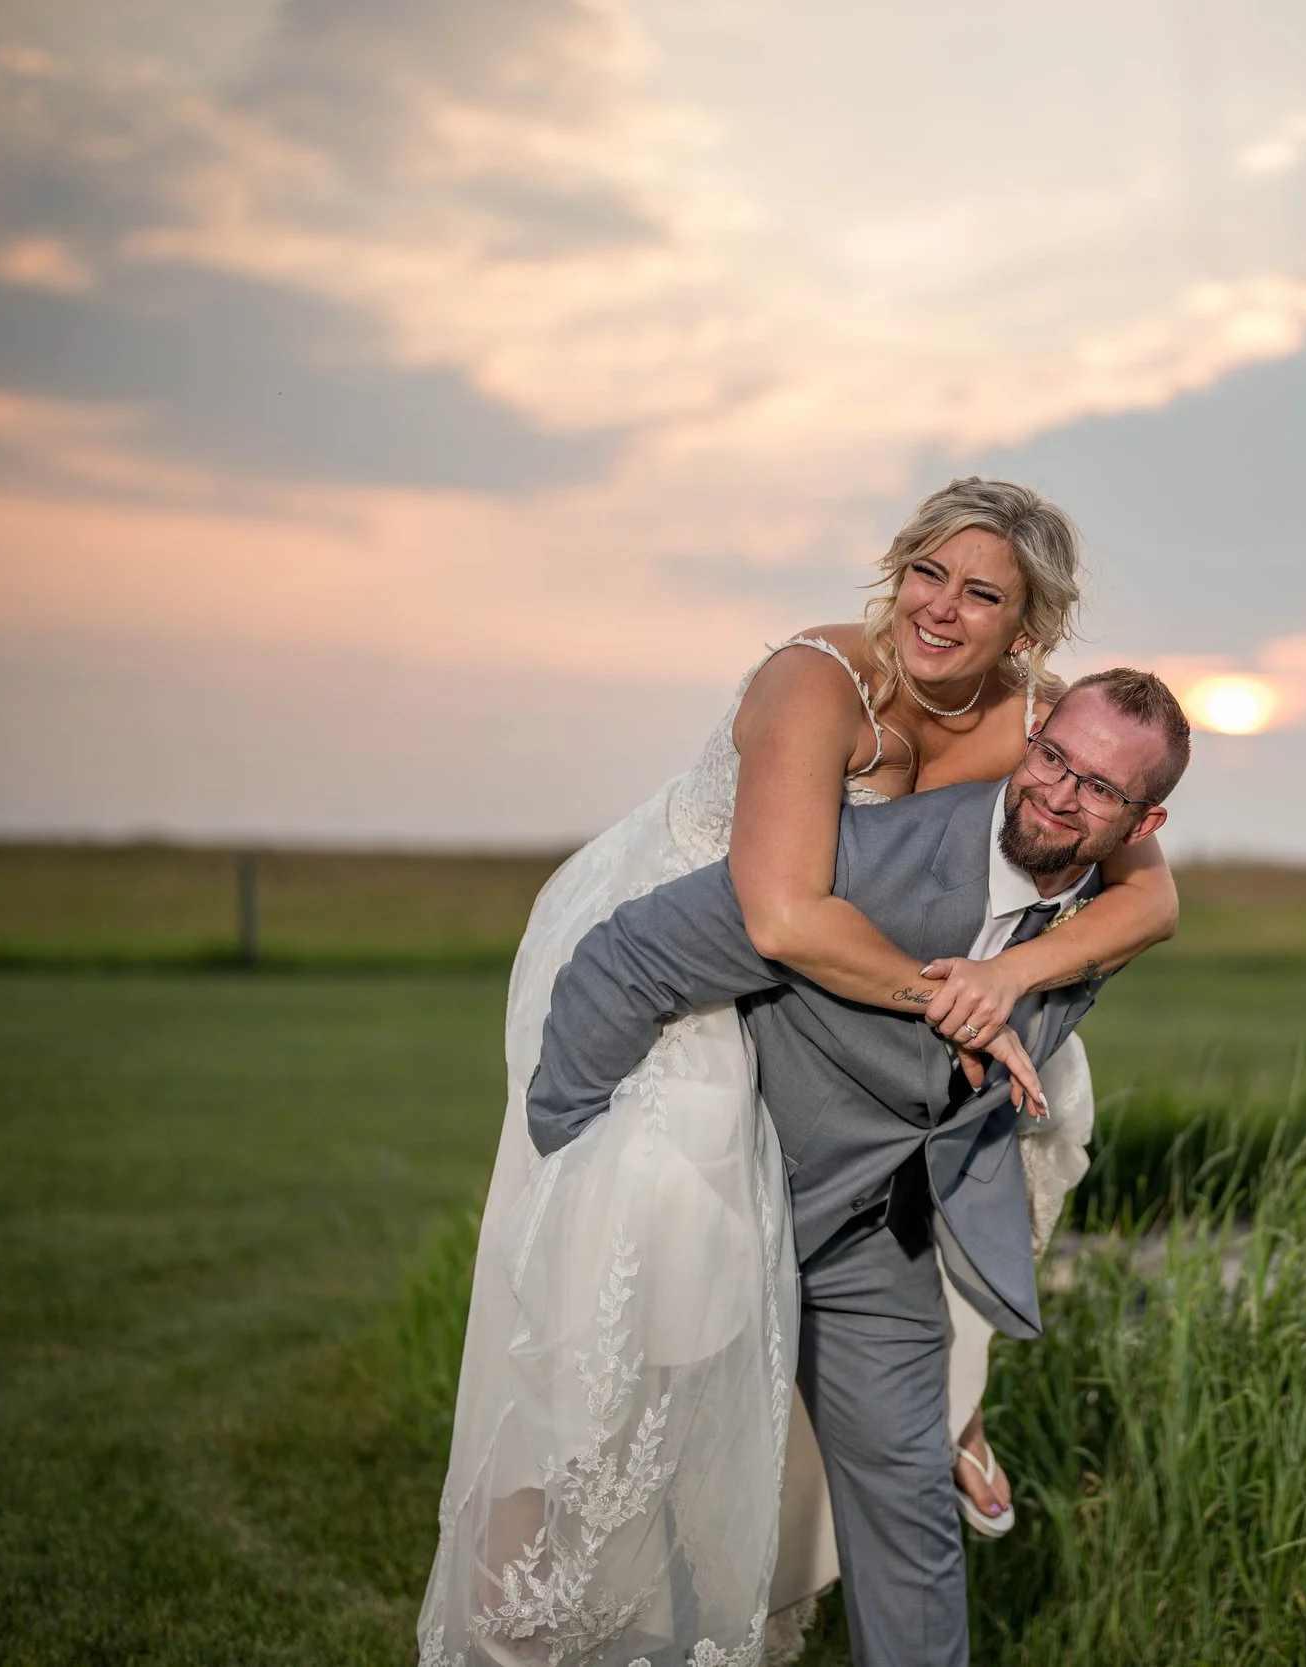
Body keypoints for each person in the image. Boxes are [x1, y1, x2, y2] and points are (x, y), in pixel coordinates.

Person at [414, 480, 1179, 1667]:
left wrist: (1017, 981)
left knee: (915, 1348)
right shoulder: (817, 682)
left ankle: (944, 1411)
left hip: (860, 1041)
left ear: (1025, 631)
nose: (940, 606)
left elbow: (1151, 889)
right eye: (926, 571)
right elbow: (776, 912)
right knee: (609, 1365)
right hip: (693, 968)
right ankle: (521, 1626)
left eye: (980, 593)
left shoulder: (1045, 733)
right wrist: (956, 1005)